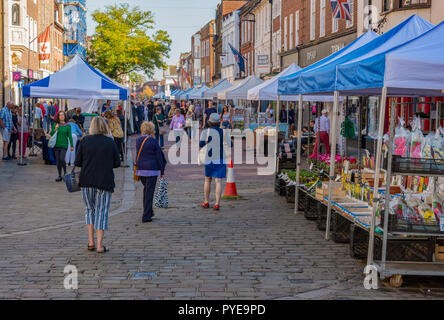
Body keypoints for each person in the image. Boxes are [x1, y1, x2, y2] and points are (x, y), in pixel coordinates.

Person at [75, 116, 121, 253]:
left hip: (86, 180)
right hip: (104, 180)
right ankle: (100, 245)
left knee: (89, 209)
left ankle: (91, 241)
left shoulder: (84, 141)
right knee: (102, 211)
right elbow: (117, 163)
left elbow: (77, 162)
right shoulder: (109, 142)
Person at [135, 121, 167, 223]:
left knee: (146, 191)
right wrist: (162, 170)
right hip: (151, 169)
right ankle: (146, 215)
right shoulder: (153, 141)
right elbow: (159, 156)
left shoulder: (138, 140)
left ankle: (149, 211)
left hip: (141, 169)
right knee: (149, 192)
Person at [200, 113, 227, 211]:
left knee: (207, 180)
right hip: (220, 157)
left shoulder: (206, 131)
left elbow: (201, 144)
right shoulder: (223, 131)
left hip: (209, 157)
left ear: (209, 122)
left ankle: (206, 201)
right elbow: (230, 144)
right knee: (218, 181)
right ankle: (217, 204)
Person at [49, 111, 74, 182]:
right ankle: (59, 175)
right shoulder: (56, 124)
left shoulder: (68, 125)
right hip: (56, 145)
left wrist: (72, 145)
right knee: (58, 160)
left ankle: (65, 172)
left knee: (62, 159)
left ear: (65, 116)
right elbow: (51, 134)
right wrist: (55, 129)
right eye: (60, 115)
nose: (62, 116)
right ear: (58, 117)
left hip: (64, 145)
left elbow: (70, 136)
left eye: (63, 115)